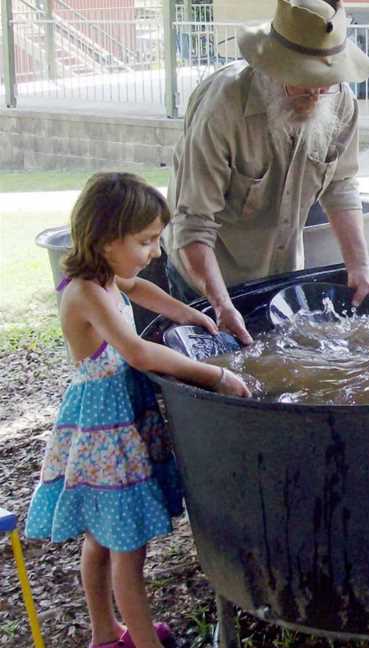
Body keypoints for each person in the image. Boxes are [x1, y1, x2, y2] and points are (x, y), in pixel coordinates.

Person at [25, 173, 250, 648]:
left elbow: (139, 288)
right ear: (107, 239)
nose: (155, 253)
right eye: (146, 241)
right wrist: (215, 375)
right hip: (106, 432)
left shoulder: (103, 276)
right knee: (127, 548)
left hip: (114, 421)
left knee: (102, 540)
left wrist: (187, 313)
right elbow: (140, 354)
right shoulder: (84, 293)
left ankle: (106, 635)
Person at [162, 0, 369, 345]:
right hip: (207, 276)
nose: (316, 93)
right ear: (271, 67)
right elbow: (193, 224)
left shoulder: (339, 100)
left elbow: (340, 186)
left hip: (282, 273)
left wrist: (360, 266)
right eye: (304, 81)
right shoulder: (222, 108)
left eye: (325, 81)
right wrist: (221, 305)